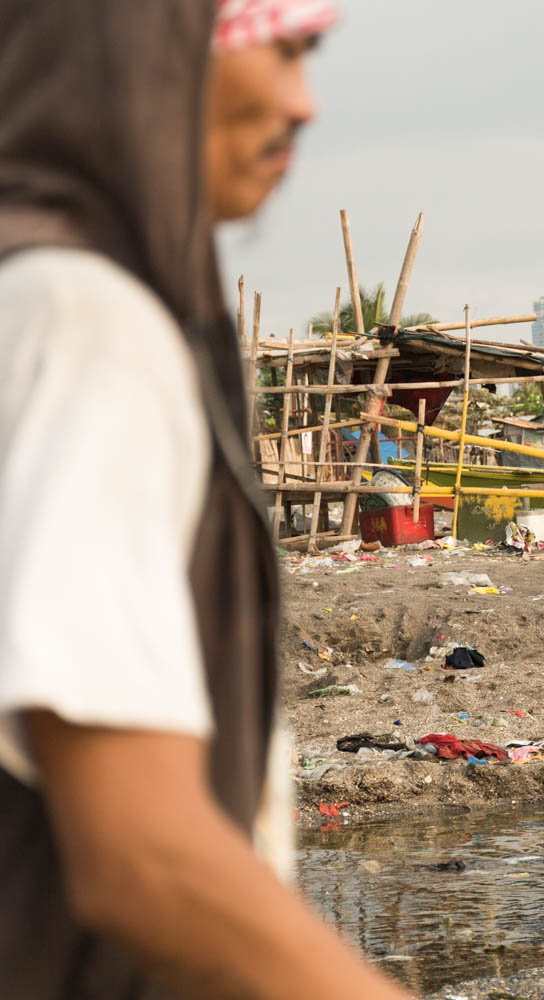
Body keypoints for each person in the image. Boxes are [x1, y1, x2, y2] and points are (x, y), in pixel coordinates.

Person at [0, 2, 410, 998]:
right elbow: (142, 856)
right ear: (147, 54)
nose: (303, 104)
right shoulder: (83, 321)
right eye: (284, 49)